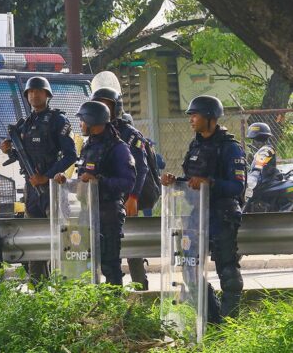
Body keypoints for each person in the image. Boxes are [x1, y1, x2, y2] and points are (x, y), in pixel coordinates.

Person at [161, 95, 246, 323]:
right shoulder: (196, 145)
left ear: (210, 118)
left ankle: (229, 326)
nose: (191, 119)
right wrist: (174, 180)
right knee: (189, 270)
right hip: (196, 216)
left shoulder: (230, 148)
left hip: (222, 216)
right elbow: (192, 181)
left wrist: (211, 183)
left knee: (227, 273)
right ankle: (212, 320)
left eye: (195, 115)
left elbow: (238, 186)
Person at [0, 76, 77, 281]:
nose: (34, 95)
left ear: (47, 95)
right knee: (33, 237)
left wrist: (47, 177)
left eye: (38, 91)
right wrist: (9, 151)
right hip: (31, 189)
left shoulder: (58, 120)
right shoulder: (24, 124)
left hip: (52, 188)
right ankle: (37, 285)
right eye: (30, 92)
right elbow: (21, 155)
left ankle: (64, 282)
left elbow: (71, 155)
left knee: (58, 236)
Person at [55, 100, 135, 285]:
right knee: (85, 264)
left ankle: (114, 308)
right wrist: (66, 182)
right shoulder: (87, 145)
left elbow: (128, 183)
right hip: (86, 213)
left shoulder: (118, 148)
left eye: (82, 120)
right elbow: (83, 180)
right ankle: (93, 307)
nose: (80, 124)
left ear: (92, 121)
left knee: (109, 265)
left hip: (108, 214)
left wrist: (99, 181)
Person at [91, 87, 152, 290]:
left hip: (125, 197)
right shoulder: (94, 132)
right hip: (102, 200)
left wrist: (133, 197)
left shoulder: (128, 133)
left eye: (106, 104)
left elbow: (141, 168)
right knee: (107, 249)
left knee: (132, 246)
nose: (102, 109)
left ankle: (140, 289)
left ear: (116, 108)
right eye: (98, 104)